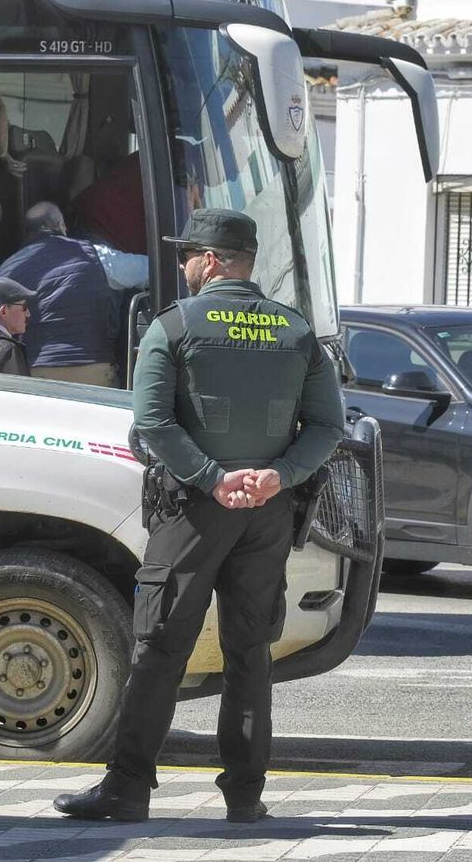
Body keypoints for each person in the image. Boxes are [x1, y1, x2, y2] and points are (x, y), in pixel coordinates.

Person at [53, 209, 344, 824]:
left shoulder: (174, 326)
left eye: (189, 254)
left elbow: (153, 422)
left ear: (211, 261)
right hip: (267, 513)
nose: (185, 264)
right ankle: (245, 796)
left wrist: (213, 479)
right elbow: (327, 427)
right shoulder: (295, 333)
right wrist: (276, 477)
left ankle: (127, 789)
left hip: (193, 511)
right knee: (250, 653)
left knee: (160, 648)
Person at [0, 201, 119, 386]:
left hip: (37, 369)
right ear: (60, 226)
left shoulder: (8, 269)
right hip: (92, 367)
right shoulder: (92, 254)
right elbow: (144, 272)